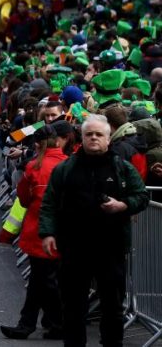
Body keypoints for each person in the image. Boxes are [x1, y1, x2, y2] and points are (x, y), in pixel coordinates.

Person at [39, 114, 149, 347]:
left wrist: (122, 205)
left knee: (112, 306)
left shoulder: (122, 167)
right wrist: (47, 233)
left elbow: (141, 195)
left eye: (99, 134)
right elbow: (49, 202)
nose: (94, 138)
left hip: (111, 247)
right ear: (82, 137)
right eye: (89, 134)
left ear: (108, 139)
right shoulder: (65, 168)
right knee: (73, 306)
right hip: (73, 248)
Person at [0, 123, 69, 341]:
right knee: (42, 280)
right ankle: (30, 323)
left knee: (44, 281)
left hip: (38, 230)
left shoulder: (35, 167)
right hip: (62, 230)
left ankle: (54, 323)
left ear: (36, 144)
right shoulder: (67, 164)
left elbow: (24, 198)